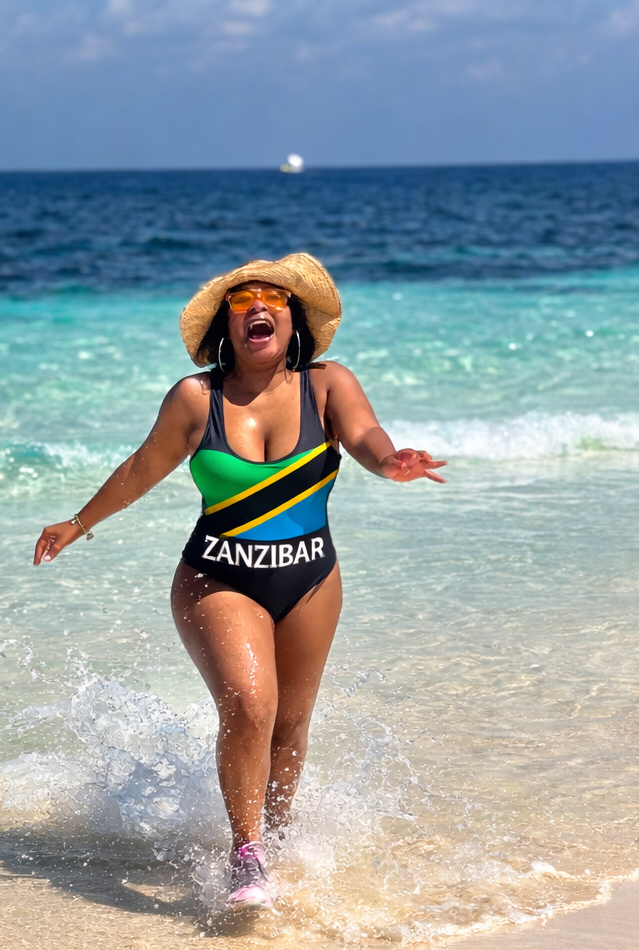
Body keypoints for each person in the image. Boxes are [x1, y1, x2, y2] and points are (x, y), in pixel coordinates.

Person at [33, 253, 445, 909]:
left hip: (312, 578)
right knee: (251, 706)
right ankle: (246, 854)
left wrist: (391, 461)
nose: (259, 306)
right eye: (243, 298)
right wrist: (78, 522)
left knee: (289, 726)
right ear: (227, 321)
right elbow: (144, 466)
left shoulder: (327, 386)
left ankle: (277, 848)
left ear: (293, 318)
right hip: (218, 577)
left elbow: (366, 436)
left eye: (274, 297)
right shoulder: (198, 399)